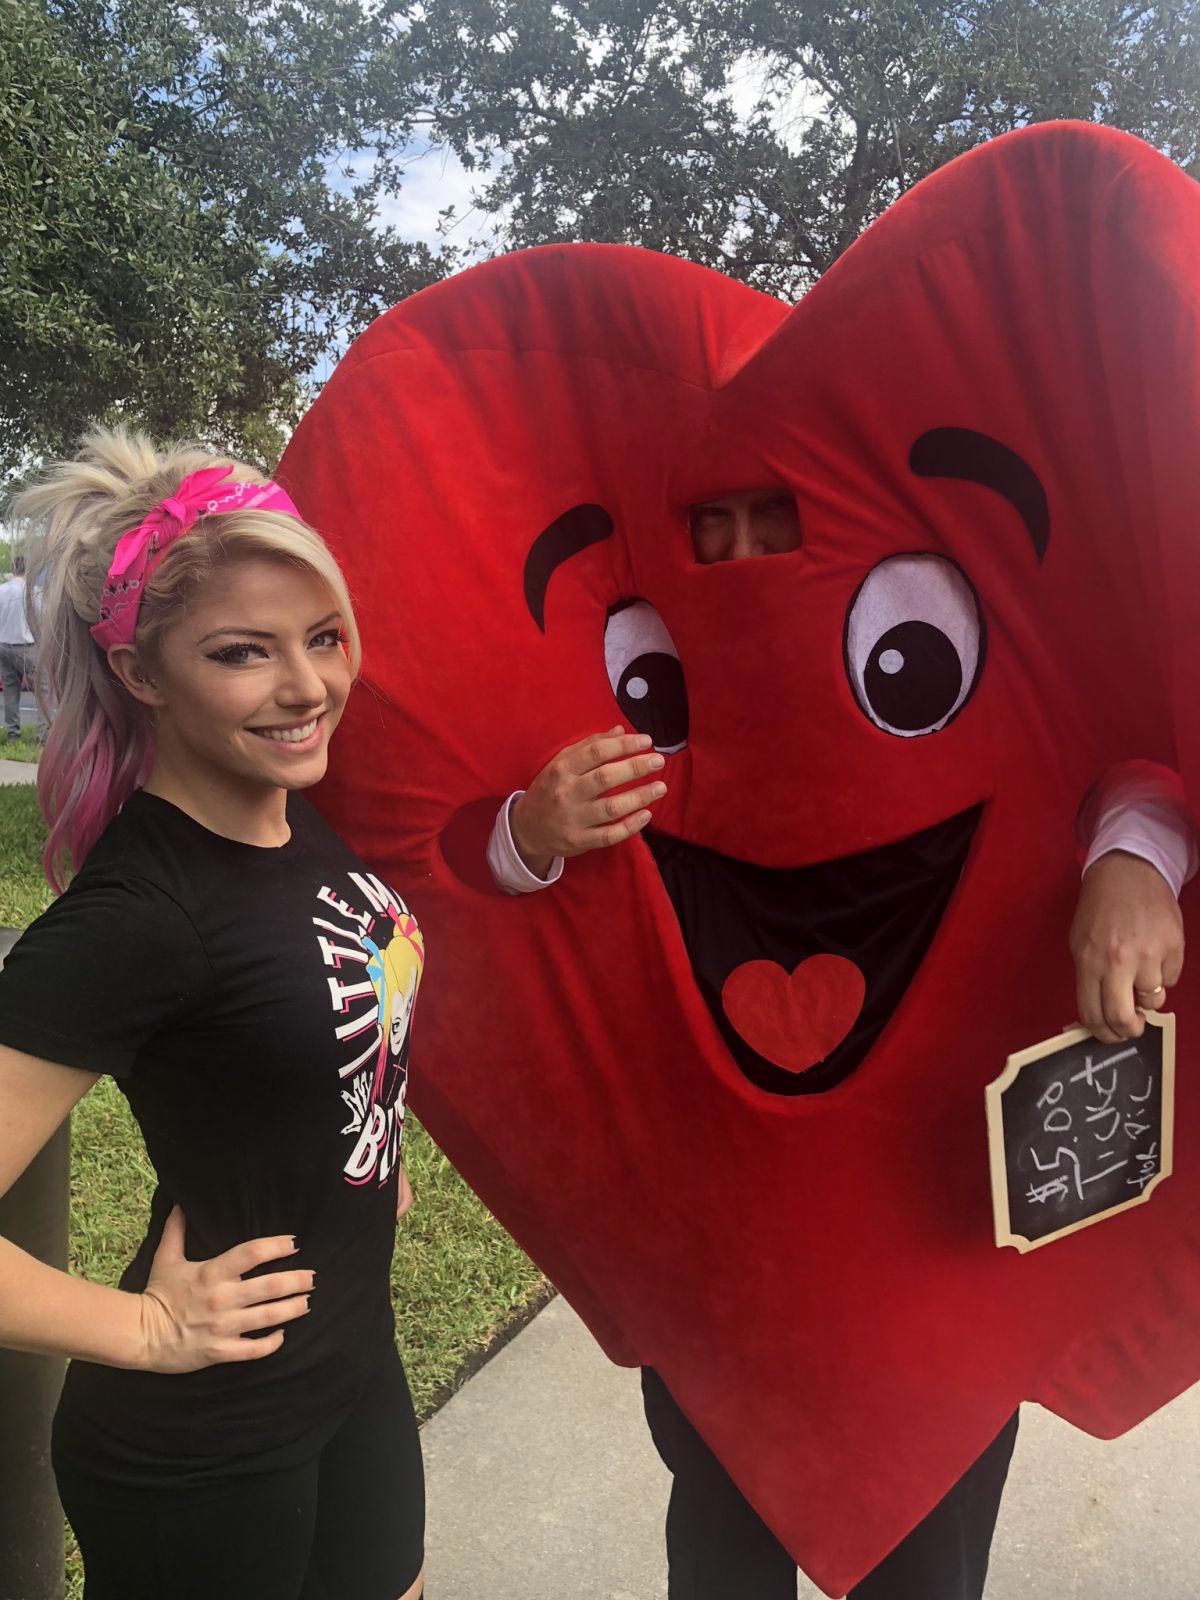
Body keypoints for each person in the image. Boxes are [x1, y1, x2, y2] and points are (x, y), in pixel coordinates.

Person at [486, 487, 1196, 1600]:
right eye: (709, 523)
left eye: (769, 515)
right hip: (722, 1259)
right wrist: (522, 832)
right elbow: (457, 849)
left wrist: (1137, 858)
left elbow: (1102, 729)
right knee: (721, 1552)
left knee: (924, 1564)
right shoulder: (629, 694)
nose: (740, 555)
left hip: (928, 1250)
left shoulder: (946, 612)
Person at [0, 429, 425, 1600]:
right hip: (202, 1444)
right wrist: (143, 1331)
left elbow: (302, 1008)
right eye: (245, 652)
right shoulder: (141, 915)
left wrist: (361, 1142)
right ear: (142, 673)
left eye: (324, 637)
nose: (308, 687)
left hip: (351, 1365)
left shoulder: (293, 812)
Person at [0, 552, 47, 744]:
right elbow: (43, 619)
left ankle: (13, 735)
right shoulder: (34, 592)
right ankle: (42, 737)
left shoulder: (1, 590)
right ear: (29, 570)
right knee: (43, 692)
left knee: (11, 693)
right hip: (28, 647)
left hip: (4, 646)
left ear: (13, 569)